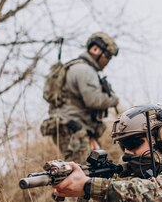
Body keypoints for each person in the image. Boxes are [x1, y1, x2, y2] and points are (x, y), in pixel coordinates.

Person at [41, 32, 120, 163]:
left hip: (71, 126)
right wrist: (113, 99)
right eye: (107, 56)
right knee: (83, 171)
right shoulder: (85, 70)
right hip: (74, 128)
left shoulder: (76, 67)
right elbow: (93, 100)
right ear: (95, 49)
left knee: (87, 169)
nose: (107, 61)